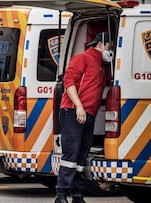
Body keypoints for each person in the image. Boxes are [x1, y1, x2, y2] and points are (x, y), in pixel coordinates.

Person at [55, 32, 113, 203]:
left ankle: (78, 195)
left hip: (88, 114)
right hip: (73, 111)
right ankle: (61, 194)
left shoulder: (102, 66)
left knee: (82, 156)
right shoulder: (83, 58)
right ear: (101, 44)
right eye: (109, 46)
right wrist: (78, 105)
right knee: (71, 155)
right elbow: (69, 82)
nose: (110, 50)